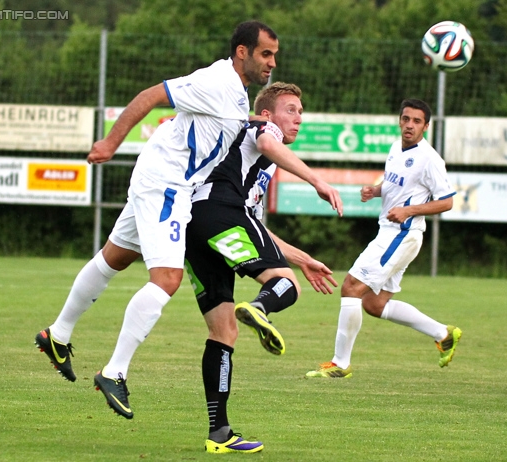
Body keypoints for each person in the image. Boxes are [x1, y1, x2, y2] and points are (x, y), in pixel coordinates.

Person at [34, 21, 341, 449]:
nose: (272, 62)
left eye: (275, 55)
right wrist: (109, 143)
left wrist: (300, 255)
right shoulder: (217, 80)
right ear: (241, 52)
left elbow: (241, 126)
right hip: (169, 184)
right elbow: (150, 97)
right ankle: (114, 372)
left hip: (168, 183)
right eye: (266, 54)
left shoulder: (235, 96)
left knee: (115, 258)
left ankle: (58, 335)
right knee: (166, 279)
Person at [184, 82, 340, 453]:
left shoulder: (251, 165)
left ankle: (219, 433)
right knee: (286, 287)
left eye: (301, 111)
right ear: (268, 113)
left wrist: (302, 260)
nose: (298, 117)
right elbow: (268, 146)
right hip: (220, 210)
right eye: (290, 109)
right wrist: (317, 180)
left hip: (195, 224)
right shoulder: (261, 129)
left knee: (224, 331)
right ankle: (259, 307)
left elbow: (255, 228)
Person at [306, 98, 462, 379]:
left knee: (351, 287)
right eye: (406, 119)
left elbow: (447, 202)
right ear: (399, 121)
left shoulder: (430, 159)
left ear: (426, 126)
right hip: (393, 234)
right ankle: (443, 334)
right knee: (374, 304)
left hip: (401, 234)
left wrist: (409, 210)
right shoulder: (396, 148)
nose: (409, 125)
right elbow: (399, 184)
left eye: (416, 121)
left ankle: (340, 363)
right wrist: (376, 191)